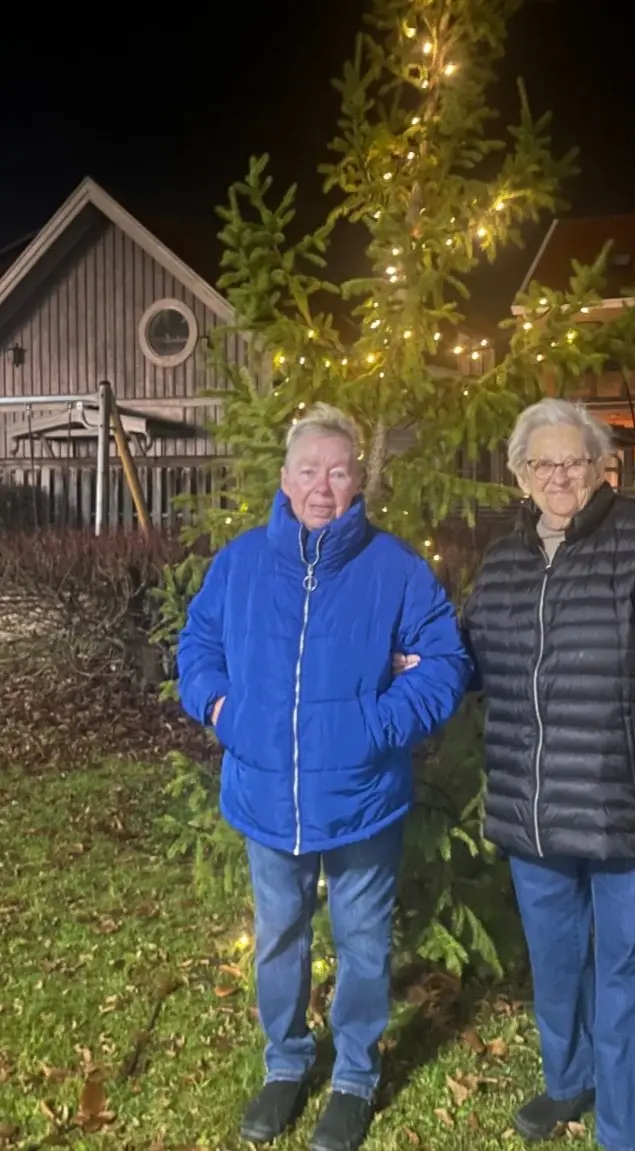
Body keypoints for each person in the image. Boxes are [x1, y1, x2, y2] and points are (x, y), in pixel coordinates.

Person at [177, 403, 472, 1151]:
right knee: (279, 937)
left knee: (363, 941)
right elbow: (198, 644)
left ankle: (353, 1078)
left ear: (357, 481)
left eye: (338, 472)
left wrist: (378, 725)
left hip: (363, 798)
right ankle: (286, 1063)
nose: (322, 486)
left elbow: (445, 662)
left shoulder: (395, 569)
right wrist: (221, 709)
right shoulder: (240, 563)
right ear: (284, 479)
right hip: (265, 794)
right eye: (308, 470)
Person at [461, 399, 635, 1151]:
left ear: (602, 466)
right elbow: (473, 655)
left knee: (626, 970)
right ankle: (567, 1079)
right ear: (519, 474)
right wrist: (416, 662)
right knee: (555, 963)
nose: (559, 476)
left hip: (623, 800)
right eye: (541, 463)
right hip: (533, 807)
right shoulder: (504, 560)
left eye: (573, 460)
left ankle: (628, 1130)